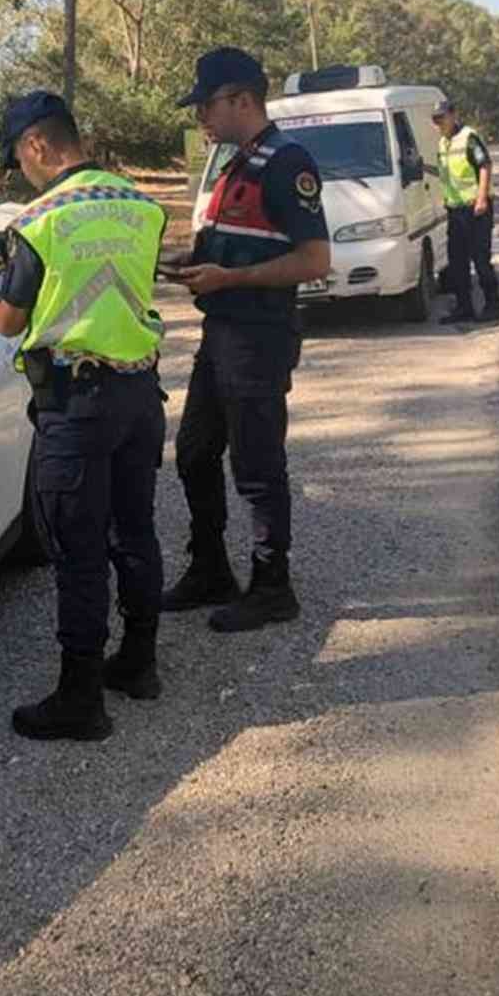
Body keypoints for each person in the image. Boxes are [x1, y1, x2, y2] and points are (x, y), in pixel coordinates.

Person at [0, 90, 168, 743]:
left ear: (37, 144)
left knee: (77, 548)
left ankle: (80, 697)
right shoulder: (141, 205)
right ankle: (140, 662)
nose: (21, 172)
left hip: (76, 403)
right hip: (138, 394)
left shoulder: (39, 220)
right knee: (134, 531)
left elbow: (9, 321)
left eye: (18, 158)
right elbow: (131, 285)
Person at [162, 47, 330, 632]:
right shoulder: (237, 162)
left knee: (257, 465)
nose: (201, 118)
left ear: (240, 100)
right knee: (193, 453)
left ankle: (272, 586)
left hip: (259, 336)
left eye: (206, 106)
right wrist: (193, 260)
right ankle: (210, 568)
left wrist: (229, 278)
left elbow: (313, 261)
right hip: (223, 332)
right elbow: (239, 237)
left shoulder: (287, 162)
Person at [431, 99, 499, 324]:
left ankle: (493, 304)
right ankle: (464, 307)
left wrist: (481, 198)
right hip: (456, 210)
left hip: (476, 208)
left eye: (442, 117)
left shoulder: (468, 137)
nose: (439, 123)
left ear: (453, 115)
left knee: (481, 259)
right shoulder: (443, 142)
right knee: (457, 262)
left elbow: (485, 165)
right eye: (436, 119)